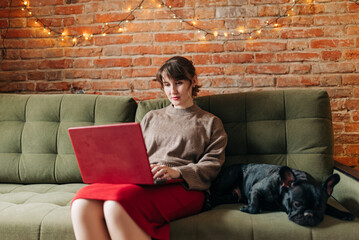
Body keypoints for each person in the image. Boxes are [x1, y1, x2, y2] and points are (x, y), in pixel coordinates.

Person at [71, 56, 228, 240]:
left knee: (116, 205)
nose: (172, 91)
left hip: (186, 186)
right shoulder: (151, 117)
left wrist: (177, 172)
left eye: (179, 83)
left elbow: (213, 165)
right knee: (82, 202)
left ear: (193, 81)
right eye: (167, 84)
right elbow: (133, 154)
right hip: (146, 181)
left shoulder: (210, 122)